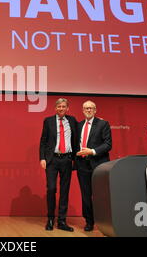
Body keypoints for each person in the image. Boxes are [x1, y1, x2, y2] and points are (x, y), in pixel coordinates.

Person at [39, 98, 79, 231]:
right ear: (55, 108)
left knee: (64, 191)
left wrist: (98, 120)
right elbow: (43, 141)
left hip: (67, 160)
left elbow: (81, 133)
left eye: (64, 106)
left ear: (67, 108)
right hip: (52, 160)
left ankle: (62, 221)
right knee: (51, 189)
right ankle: (50, 219)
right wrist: (42, 158)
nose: (61, 109)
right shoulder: (48, 121)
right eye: (59, 106)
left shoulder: (72, 121)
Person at [75, 100, 112, 232]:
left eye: (91, 108)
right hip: (82, 165)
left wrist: (92, 151)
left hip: (98, 165)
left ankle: (104, 221)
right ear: (82, 110)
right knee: (86, 195)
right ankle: (89, 221)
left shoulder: (103, 124)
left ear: (95, 110)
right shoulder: (78, 125)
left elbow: (108, 144)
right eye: (86, 108)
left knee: (100, 195)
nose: (88, 110)